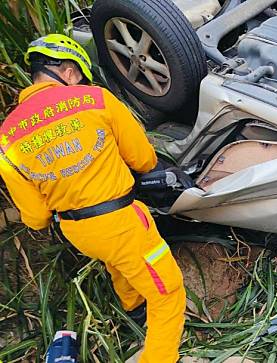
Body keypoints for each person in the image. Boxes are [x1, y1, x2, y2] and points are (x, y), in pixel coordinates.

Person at [0, 34, 185, 363]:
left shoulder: (7, 137)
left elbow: (36, 216)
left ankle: (134, 309)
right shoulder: (94, 99)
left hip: (79, 232)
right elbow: (143, 159)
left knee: (119, 264)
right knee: (168, 292)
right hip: (121, 221)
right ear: (69, 72)